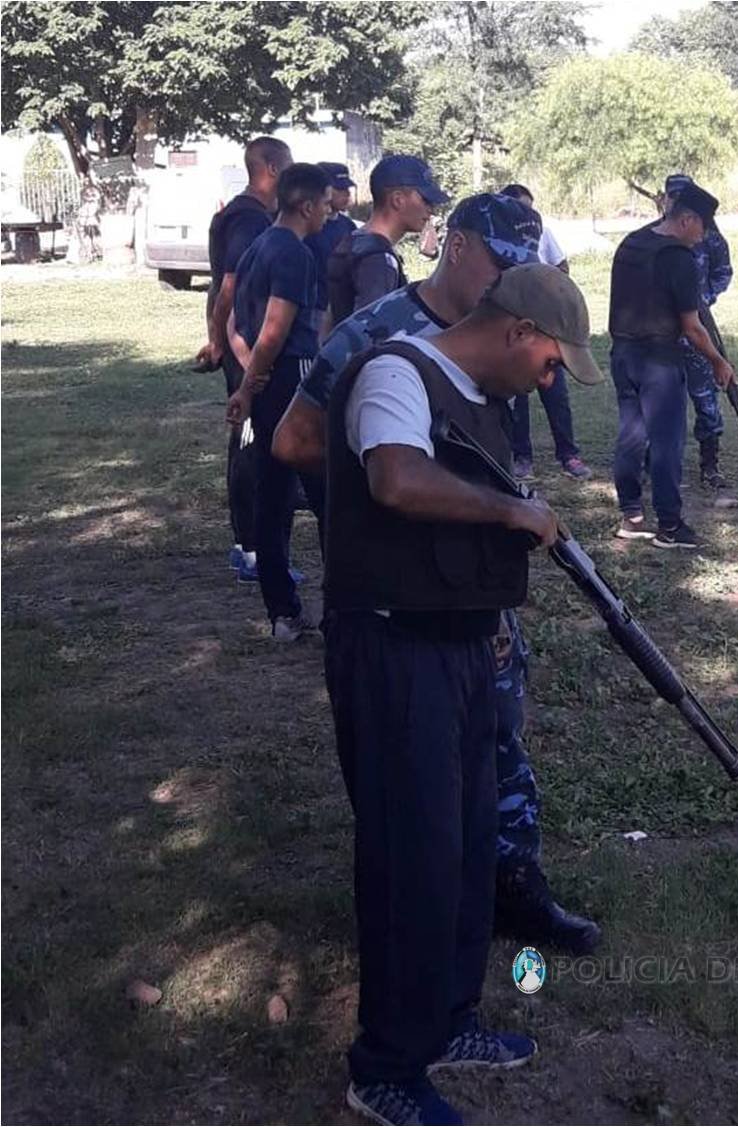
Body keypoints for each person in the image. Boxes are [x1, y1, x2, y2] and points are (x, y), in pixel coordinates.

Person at [272, 194, 602, 955]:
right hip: (404, 594)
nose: (510, 284)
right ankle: (421, 922)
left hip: (474, 583)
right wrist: (392, 475)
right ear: (455, 247)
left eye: (526, 271)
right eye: (501, 265)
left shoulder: (505, 340)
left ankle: (507, 886)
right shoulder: (378, 335)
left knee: (496, 737)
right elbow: (294, 440)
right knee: (415, 770)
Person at [325, 263, 603, 1125]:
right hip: (393, 646)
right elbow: (397, 481)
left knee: (466, 848)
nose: (551, 380)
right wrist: (506, 511)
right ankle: (386, 1068)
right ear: (519, 330)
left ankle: (448, 1021)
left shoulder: (473, 394)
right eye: (553, 362)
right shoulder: (394, 373)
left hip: (458, 647)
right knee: (412, 856)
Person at [224, 162, 330, 640]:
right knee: (328, 494)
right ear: (307, 205)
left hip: (266, 379)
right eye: (326, 203)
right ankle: (346, 609)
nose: (329, 210)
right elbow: (275, 329)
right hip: (294, 377)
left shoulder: (257, 247)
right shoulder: (294, 252)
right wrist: (251, 384)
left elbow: (231, 321)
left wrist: (248, 374)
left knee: (273, 494)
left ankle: (282, 614)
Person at [608, 183, 735, 549]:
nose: (704, 236)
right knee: (666, 443)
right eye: (703, 227)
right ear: (687, 219)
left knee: (631, 436)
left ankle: (631, 517)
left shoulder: (632, 242)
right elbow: (693, 327)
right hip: (659, 362)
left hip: (623, 353)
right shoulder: (678, 259)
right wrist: (718, 362)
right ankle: (669, 526)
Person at [195, 136, 292, 579]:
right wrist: (224, 343)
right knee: (251, 441)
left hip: (246, 343)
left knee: (253, 439)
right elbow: (230, 287)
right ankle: (250, 546)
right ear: (271, 167)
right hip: (246, 347)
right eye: (288, 166)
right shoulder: (247, 220)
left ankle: (250, 542)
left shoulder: (255, 215)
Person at [499, 183, 591, 482]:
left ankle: (569, 455)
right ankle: (521, 456)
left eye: (528, 207)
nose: (525, 214)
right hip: (510, 331)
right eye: (518, 207)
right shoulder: (496, 240)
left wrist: (545, 287)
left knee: (556, 393)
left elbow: (562, 267)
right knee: (517, 398)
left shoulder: (541, 232)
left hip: (545, 329)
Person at [664, 173, 737, 506]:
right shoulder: (658, 236)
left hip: (699, 326)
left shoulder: (710, 236)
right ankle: (658, 462)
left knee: (706, 400)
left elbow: (724, 271)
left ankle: (710, 464)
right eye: (670, 196)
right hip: (665, 332)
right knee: (662, 401)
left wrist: (705, 296)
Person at [326, 154, 448, 324]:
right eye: (426, 200)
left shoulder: (352, 241)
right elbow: (370, 332)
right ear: (398, 200)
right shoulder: (377, 258)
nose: (431, 209)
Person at [305, 161, 357, 341]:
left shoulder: (348, 226)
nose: (347, 195)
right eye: (340, 189)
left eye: (348, 189)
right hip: (314, 307)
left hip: (340, 308)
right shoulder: (310, 227)